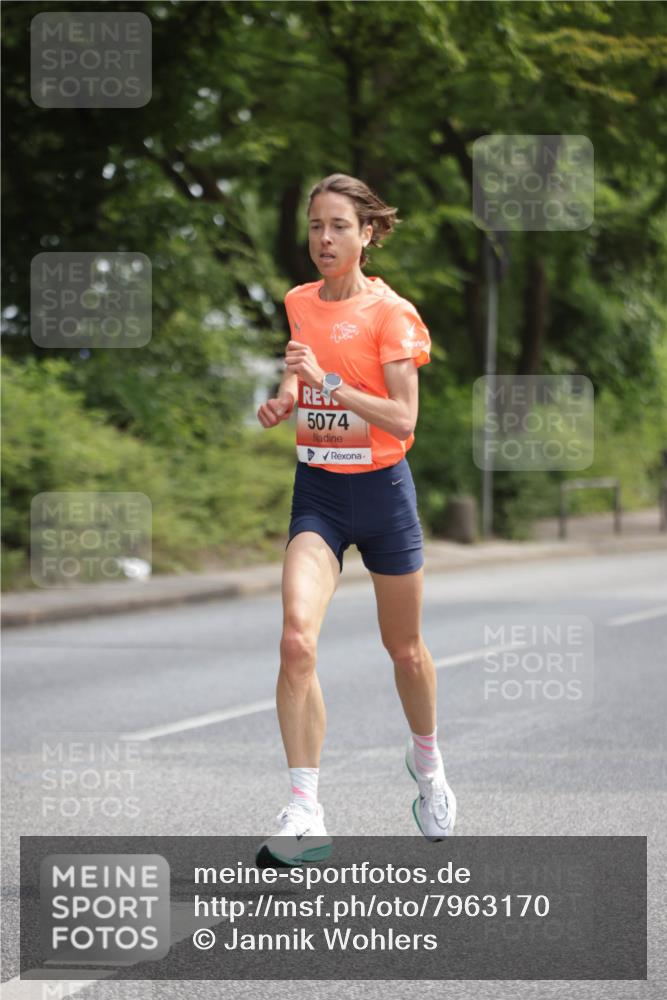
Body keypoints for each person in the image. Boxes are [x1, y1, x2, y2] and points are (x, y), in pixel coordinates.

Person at [255, 173, 455, 866]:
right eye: (315, 226)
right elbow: (300, 368)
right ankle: (304, 807)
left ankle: (427, 764)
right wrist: (287, 395)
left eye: (339, 225)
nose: (324, 239)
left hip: (382, 494)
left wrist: (333, 385)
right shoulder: (298, 301)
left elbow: (404, 419)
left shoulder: (391, 315)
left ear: (367, 234)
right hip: (318, 492)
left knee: (404, 651)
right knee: (293, 642)